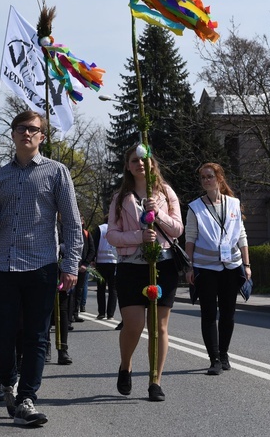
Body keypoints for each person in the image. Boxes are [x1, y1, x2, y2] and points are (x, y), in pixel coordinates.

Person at [0, 110, 83, 427]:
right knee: (1, 337)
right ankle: (8, 381)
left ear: (42, 136)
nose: (26, 134)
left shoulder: (58, 173)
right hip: (2, 266)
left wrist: (70, 265)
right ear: (12, 135)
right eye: (21, 129)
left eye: (33, 129)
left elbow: (72, 224)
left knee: (36, 337)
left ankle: (27, 397)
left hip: (41, 266)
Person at [106, 145, 183, 402]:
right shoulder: (120, 198)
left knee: (159, 327)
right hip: (131, 267)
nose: (140, 164)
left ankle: (155, 381)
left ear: (152, 163)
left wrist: (158, 213)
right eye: (134, 160)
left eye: (144, 159)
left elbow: (178, 230)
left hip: (164, 266)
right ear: (128, 166)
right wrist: (138, 237)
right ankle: (125, 366)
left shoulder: (165, 193)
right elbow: (112, 235)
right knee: (134, 324)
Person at [185, 162, 251, 375]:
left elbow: (242, 236)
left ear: (219, 179)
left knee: (228, 314)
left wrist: (247, 265)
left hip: (231, 266)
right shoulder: (195, 207)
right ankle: (213, 358)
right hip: (205, 268)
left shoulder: (233, 204)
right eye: (203, 177)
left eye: (210, 176)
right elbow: (190, 239)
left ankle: (224, 355)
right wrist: (189, 267)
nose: (206, 180)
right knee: (208, 314)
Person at [92, 218, 118, 320]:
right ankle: (110, 314)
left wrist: (93, 259)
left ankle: (101, 313)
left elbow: (95, 244)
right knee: (113, 289)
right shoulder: (117, 229)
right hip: (114, 262)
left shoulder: (100, 228)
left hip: (101, 263)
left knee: (101, 289)